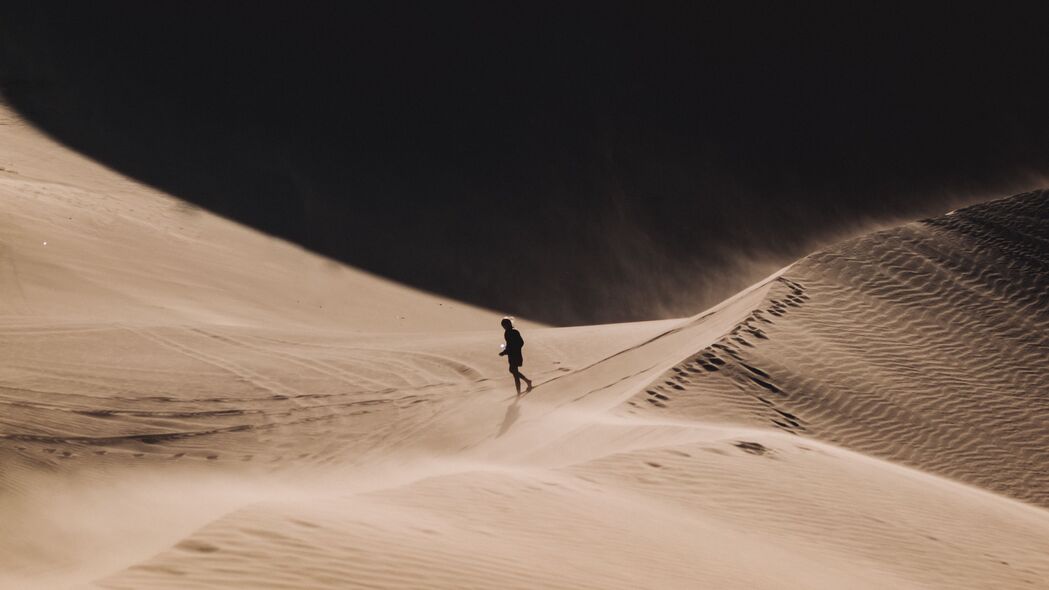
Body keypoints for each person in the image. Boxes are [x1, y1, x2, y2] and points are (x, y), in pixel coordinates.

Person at [498, 317, 533, 394]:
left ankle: (519, 392)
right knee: (513, 371)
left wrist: (506, 351)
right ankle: (527, 382)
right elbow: (513, 344)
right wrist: (506, 351)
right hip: (513, 354)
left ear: (507, 325)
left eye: (504, 325)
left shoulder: (511, 332)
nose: (503, 327)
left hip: (514, 355)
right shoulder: (511, 332)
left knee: (514, 372)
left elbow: (517, 343)